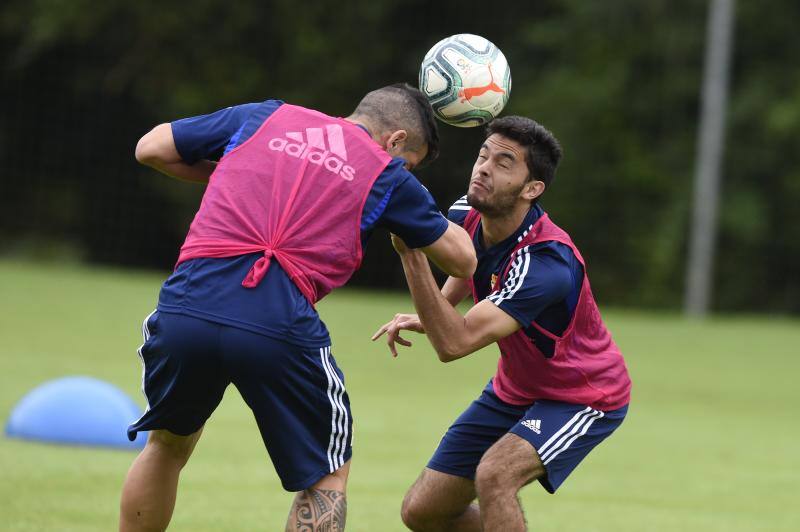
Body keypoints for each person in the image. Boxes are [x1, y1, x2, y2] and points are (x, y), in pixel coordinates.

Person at [119, 83, 477, 532]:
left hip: (187, 305)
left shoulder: (266, 116)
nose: (403, 169)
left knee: (167, 445)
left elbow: (150, 148)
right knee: (327, 472)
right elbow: (463, 259)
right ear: (396, 141)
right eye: (409, 163)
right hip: (275, 318)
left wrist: (249, 170)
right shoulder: (386, 172)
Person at [373, 116, 632, 531]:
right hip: (514, 389)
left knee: (496, 476)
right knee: (423, 512)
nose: (484, 168)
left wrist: (410, 254)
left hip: (581, 396)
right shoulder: (469, 211)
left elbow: (453, 345)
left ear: (532, 189)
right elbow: (466, 261)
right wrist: (436, 308)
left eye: (504, 162)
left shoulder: (546, 264)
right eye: (483, 155)